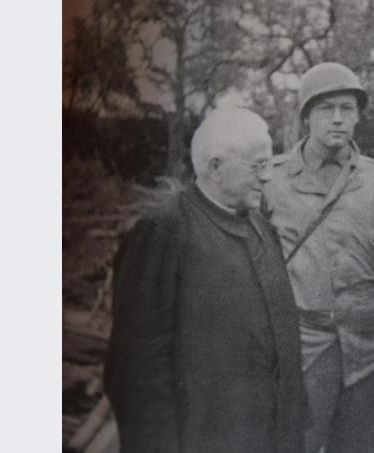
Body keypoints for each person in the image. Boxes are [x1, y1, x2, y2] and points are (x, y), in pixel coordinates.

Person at [104, 107, 307, 453]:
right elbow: (135, 368)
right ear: (215, 167)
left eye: (269, 165)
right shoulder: (163, 230)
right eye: (258, 166)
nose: (267, 177)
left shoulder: (262, 228)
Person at [261, 62, 374, 453]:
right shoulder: (272, 181)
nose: (337, 119)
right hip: (304, 347)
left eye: (347, 109)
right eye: (326, 108)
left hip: (370, 348)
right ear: (306, 117)